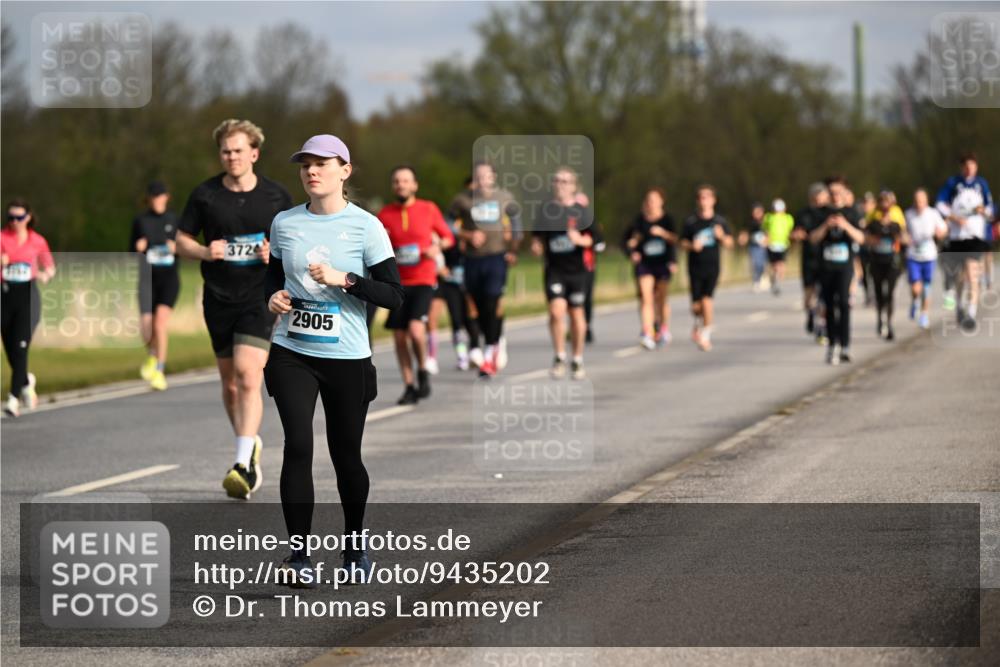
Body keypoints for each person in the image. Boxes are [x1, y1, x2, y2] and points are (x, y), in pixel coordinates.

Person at [264, 134, 403, 584]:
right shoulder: (284, 223)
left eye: (321, 163)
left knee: (346, 455)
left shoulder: (367, 227)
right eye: (305, 164)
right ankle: (300, 559)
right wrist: (275, 299)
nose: (311, 171)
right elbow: (273, 279)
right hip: (292, 351)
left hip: (347, 356)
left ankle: (355, 547)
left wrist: (347, 280)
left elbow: (394, 296)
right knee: (298, 446)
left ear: (344, 170)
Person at [176, 119, 293, 499]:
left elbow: (296, 239)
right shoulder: (205, 195)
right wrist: (203, 251)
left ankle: (244, 464)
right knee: (229, 384)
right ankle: (249, 443)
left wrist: (271, 252)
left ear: (254, 153)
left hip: (259, 297)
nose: (232, 157)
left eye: (239, 150)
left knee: (247, 374)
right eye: (226, 151)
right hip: (218, 296)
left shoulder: (276, 197)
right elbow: (180, 240)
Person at [377, 166, 454, 405]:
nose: (401, 185)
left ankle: (423, 369)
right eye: (397, 181)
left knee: (416, 330)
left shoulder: (428, 209)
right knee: (399, 338)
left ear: (414, 185)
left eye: (406, 181)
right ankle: (409, 385)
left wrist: (436, 247)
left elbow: (448, 237)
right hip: (397, 283)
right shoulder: (384, 215)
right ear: (393, 186)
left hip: (423, 279)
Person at [449, 162, 521, 377]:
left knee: (491, 300)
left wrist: (513, 249)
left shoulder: (504, 198)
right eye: (478, 177)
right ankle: (488, 342)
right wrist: (467, 236)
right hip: (472, 259)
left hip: (496, 258)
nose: (482, 181)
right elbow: (448, 224)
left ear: (493, 178)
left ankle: (490, 352)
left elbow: (516, 224)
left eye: (486, 177)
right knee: (476, 308)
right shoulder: (462, 200)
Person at [531, 167, 600, 379]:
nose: (560, 185)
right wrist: (536, 247)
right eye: (557, 181)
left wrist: (580, 240)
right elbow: (537, 237)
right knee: (555, 311)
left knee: (577, 314)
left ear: (573, 186)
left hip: (578, 272)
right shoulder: (546, 210)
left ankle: (577, 359)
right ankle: (560, 355)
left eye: (565, 181)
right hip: (555, 270)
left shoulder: (582, 211)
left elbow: (596, 239)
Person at [1, 199, 55, 417]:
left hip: (28, 297)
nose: (15, 222)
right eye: (11, 218)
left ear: (28, 218)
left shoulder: (37, 241)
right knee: (11, 350)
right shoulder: (2, 238)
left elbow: (50, 266)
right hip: (5, 297)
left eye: (19, 218)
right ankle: (25, 380)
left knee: (21, 346)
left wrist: (45, 275)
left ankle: (13, 399)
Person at [130, 181, 180, 391]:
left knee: (160, 325)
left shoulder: (174, 220)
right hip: (146, 279)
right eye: (154, 196)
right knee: (146, 326)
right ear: (149, 199)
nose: (157, 200)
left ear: (166, 197)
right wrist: (137, 248)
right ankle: (152, 354)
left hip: (168, 280)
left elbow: (186, 247)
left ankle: (159, 369)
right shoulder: (140, 221)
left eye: (161, 196)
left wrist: (176, 247)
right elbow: (130, 252)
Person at [935, 152, 994, 328]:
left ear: (976, 166)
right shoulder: (953, 183)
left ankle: (971, 313)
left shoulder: (981, 184)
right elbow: (940, 204)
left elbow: (990, 208)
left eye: (972, 166)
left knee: (972, 274)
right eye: (966, 166)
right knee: (959, 277)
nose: (969, 169)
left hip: (975, 236)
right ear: (962, 167)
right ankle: (959, 307)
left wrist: (984, 211)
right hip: (957, 236)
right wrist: (953, 217)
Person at [810, 178, 865, 365]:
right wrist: (826, 225)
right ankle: (832, 345)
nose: (834, 196)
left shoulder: (852, 212)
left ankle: (845, 346)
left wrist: (845, 226)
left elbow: (861, 238)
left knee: (843, 303)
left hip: (844, 266)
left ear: (843, 193)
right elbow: (813, 239)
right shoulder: (820, 213)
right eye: (831, 193)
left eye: (838, 192)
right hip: (826, 267)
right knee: (829, 305)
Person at [680, 185, 734, 351]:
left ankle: (705, 335)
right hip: (695, 266)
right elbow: (681, 242)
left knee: (707, 300)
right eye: (701, 198)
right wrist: (691, 245)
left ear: (713, 200)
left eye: (707, 198)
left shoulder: (719, 222)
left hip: (712, 266)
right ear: (697, 201)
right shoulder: (691, 222)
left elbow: (730, 243)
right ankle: (698, 323)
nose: (704, 201)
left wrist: (721, 236)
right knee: (696, 306)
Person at [622, 188, 678, 350]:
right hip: (645, 263)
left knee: (661, 298)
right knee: (646, 297)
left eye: (654, 200)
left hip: (663, 262)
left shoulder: (667, 220)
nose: (651, 203)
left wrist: (663, 234)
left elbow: (676, 240)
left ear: (661, 201)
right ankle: (647, 331)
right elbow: (627, 241)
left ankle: (663, 328)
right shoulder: (639, 221)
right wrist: (631, 252)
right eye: (648, 200)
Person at [426, 190, 472, 372]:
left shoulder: (464, 236)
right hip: (438, 280)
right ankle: (431, 357)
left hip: (457, 282)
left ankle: (462, 355)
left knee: (458, 319)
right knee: (431, 319)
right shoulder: (438, 233)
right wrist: (439, 267)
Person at [865, 190, 908, 340]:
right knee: (879, 294)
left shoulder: (896, 223)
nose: (884, 206)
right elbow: (865, 238)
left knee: (890, 294)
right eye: (881, 202)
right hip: (876, 261)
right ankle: (879, 319)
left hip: (892, 262)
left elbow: (904, 238)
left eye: (887, 203)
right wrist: (872, 240)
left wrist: (899, 239)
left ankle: (889, 324)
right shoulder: (873, 223)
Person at [904, 188, 947, 330]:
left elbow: (943, 228)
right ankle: (915, 301)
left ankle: (924, 314)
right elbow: (903, 232)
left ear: (926, 201)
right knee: (916, 288)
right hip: (913, 255)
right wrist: (905, 238)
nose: (919, 204)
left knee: (926, 286)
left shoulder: (933, 213)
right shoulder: (909, 214)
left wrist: (940, 232)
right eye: (916, 201)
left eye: (921, 201)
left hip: (929, 255)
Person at [792, 183, 830, 341]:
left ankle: (822, 325)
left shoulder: (831, 214)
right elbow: (794, 234)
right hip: (809, 258)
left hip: (827, 258)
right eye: (815, 199)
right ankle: (810, 314)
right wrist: (796, 236)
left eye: (821, 198)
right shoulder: (803, 214)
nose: (819, 202)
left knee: (825, 297)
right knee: (809, 297)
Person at [762, 198, 794, 296]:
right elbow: (765, 229)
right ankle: (774, 279)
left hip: (783, 244)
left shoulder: (788, 218)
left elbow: (790, 231)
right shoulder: (768, 217)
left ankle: (778, 282)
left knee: (781, 263)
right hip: (772, 244)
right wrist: (766, 240)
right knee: (774, 264)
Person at [738, 202, 768, 293]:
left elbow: (770, 233)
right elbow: (745, 233)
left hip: (763, 246)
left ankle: (763, 276)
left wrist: (767, 241)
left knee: (762, 263)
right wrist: (742, 239)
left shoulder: (766, 221)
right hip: (753, 246)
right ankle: (756, 281)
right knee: (755, 263)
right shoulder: (750, 222)